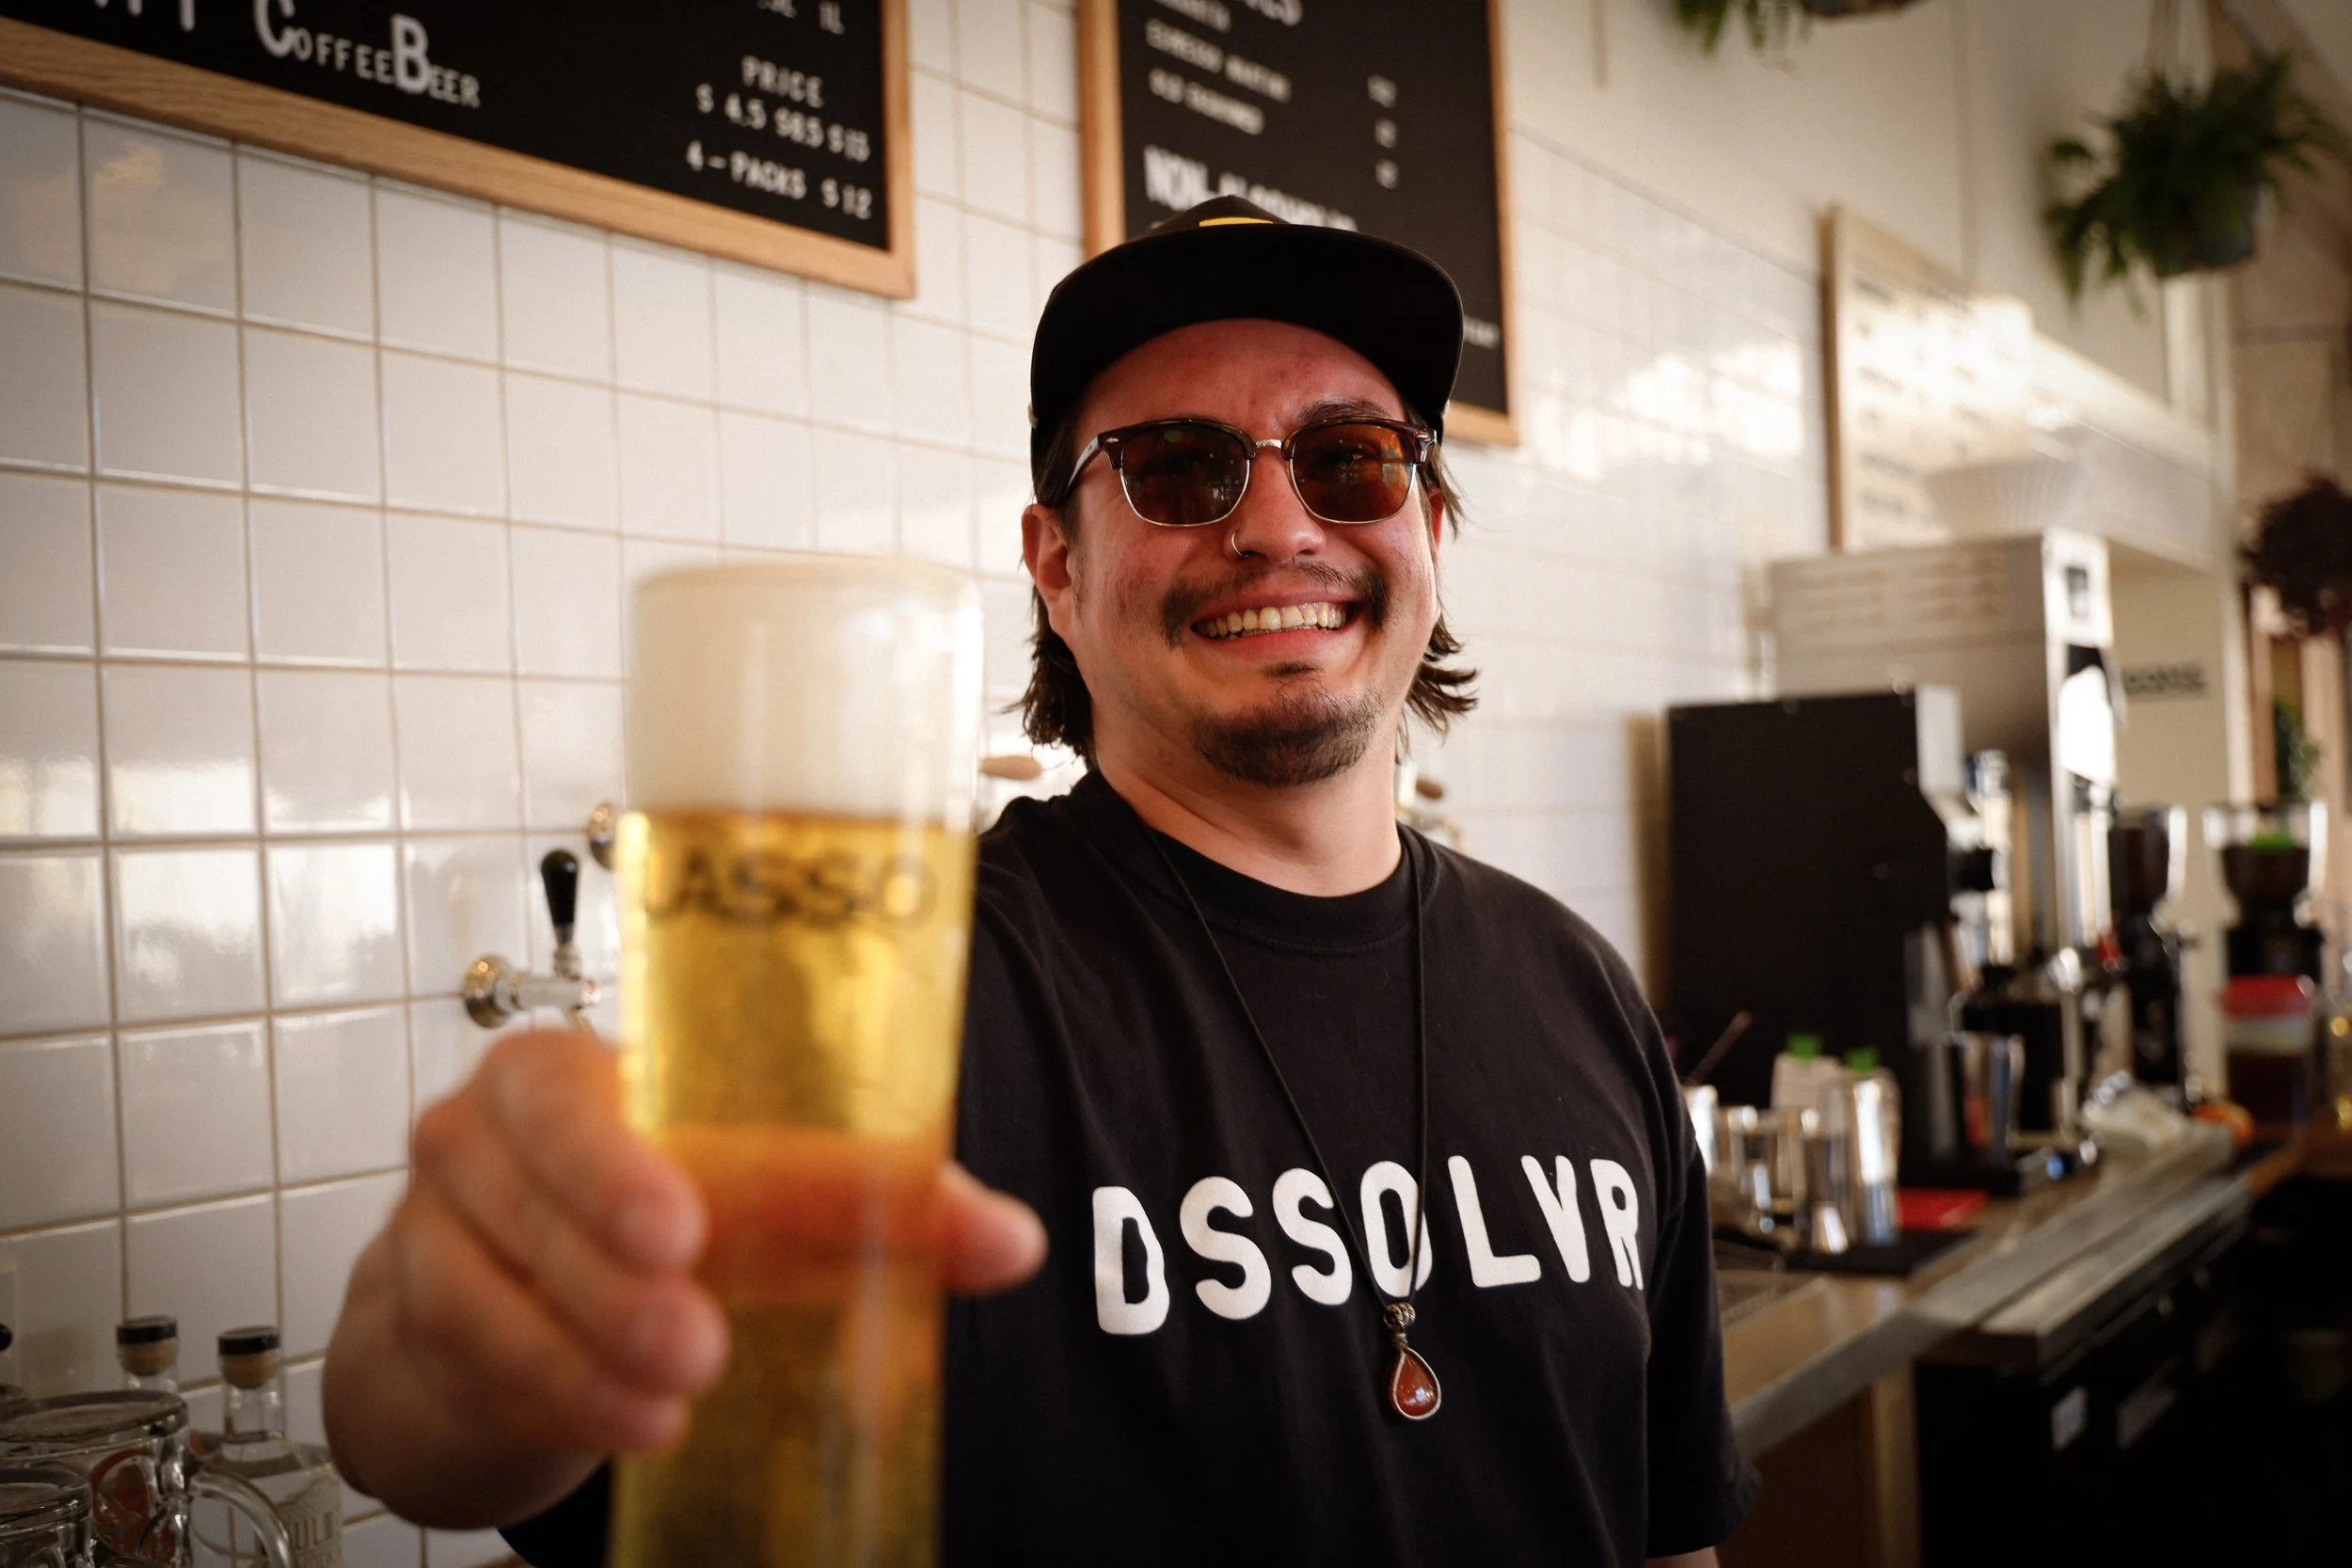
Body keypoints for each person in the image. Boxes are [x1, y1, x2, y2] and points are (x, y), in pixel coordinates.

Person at [322, 197, 1756, 1566]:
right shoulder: (907, 996)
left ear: (1429, 526)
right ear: (1057, 564)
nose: (1275, 526)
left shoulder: (1580, 990)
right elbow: (501, 1436)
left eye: (1353, 459)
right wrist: (438, 1373)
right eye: (1181, 468)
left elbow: (1664, 1529)